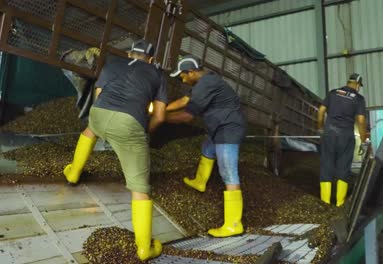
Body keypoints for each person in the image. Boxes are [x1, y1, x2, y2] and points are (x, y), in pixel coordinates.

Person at [63, 40, 167, 261]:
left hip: (99, 115)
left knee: (89, 132)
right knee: (139, 188)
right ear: (150, 59)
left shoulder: (112, 65)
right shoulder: (157, 74)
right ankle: (144, 248)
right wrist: (143, 132)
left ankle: (73, 173)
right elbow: (159, 116)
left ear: (129, 54)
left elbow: (99, 96)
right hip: (128, 125)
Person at [166, 55, 247, 237]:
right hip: (218, 126)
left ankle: (234, 224)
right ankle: (200, 182)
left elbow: (187, 116)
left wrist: (160, 118)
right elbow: (185, 100)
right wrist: (161, 108)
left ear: (192, 72)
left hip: (228, 129)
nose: (182, 80)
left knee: (228, 172)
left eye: (183, 76)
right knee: (207, 148)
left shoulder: (206, 83)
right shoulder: (204, 82)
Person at [317, 73, 368, 207]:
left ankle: (325, 203)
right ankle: (339, 205)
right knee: (343, 168)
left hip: (329, 134)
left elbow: (321, 111)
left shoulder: (333, 93)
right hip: (346, 136)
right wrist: (364, 141)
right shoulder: (358, 98)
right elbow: (361, 121)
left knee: (326, 166)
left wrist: (320, 128)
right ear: (357, 85)